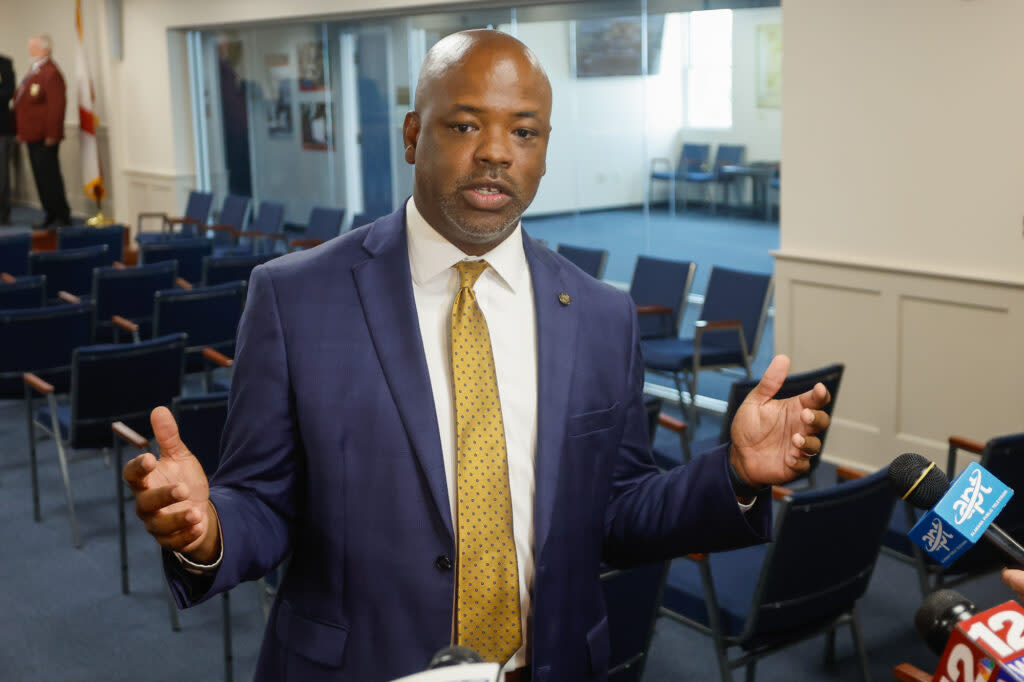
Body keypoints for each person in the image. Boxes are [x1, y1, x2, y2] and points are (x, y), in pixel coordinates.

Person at [124, 30, 831, 682]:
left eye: (523, 132)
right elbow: (262, 501)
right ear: (412, 134)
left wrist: (732, 474)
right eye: (465, 125)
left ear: (545, 149)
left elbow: (615, 512)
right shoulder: (294, 298)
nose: (496, 151)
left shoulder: (600, 315)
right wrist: (207, 527)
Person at [13, 34, 70, 229]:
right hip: (32, 136)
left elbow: (56, 107)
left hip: (45, 138)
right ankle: (50, 214)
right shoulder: (35, 71)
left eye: (33, 47)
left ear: (44, 50)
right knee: (40, 178)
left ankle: (61, 216)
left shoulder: (51, 72)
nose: (30, 51)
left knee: (50, 177)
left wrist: (53, 134)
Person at [0, 52, 14, 225]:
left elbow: (8, 92)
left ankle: (3, 213)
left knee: (1, 175)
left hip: (1, 129)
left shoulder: (4, 64)